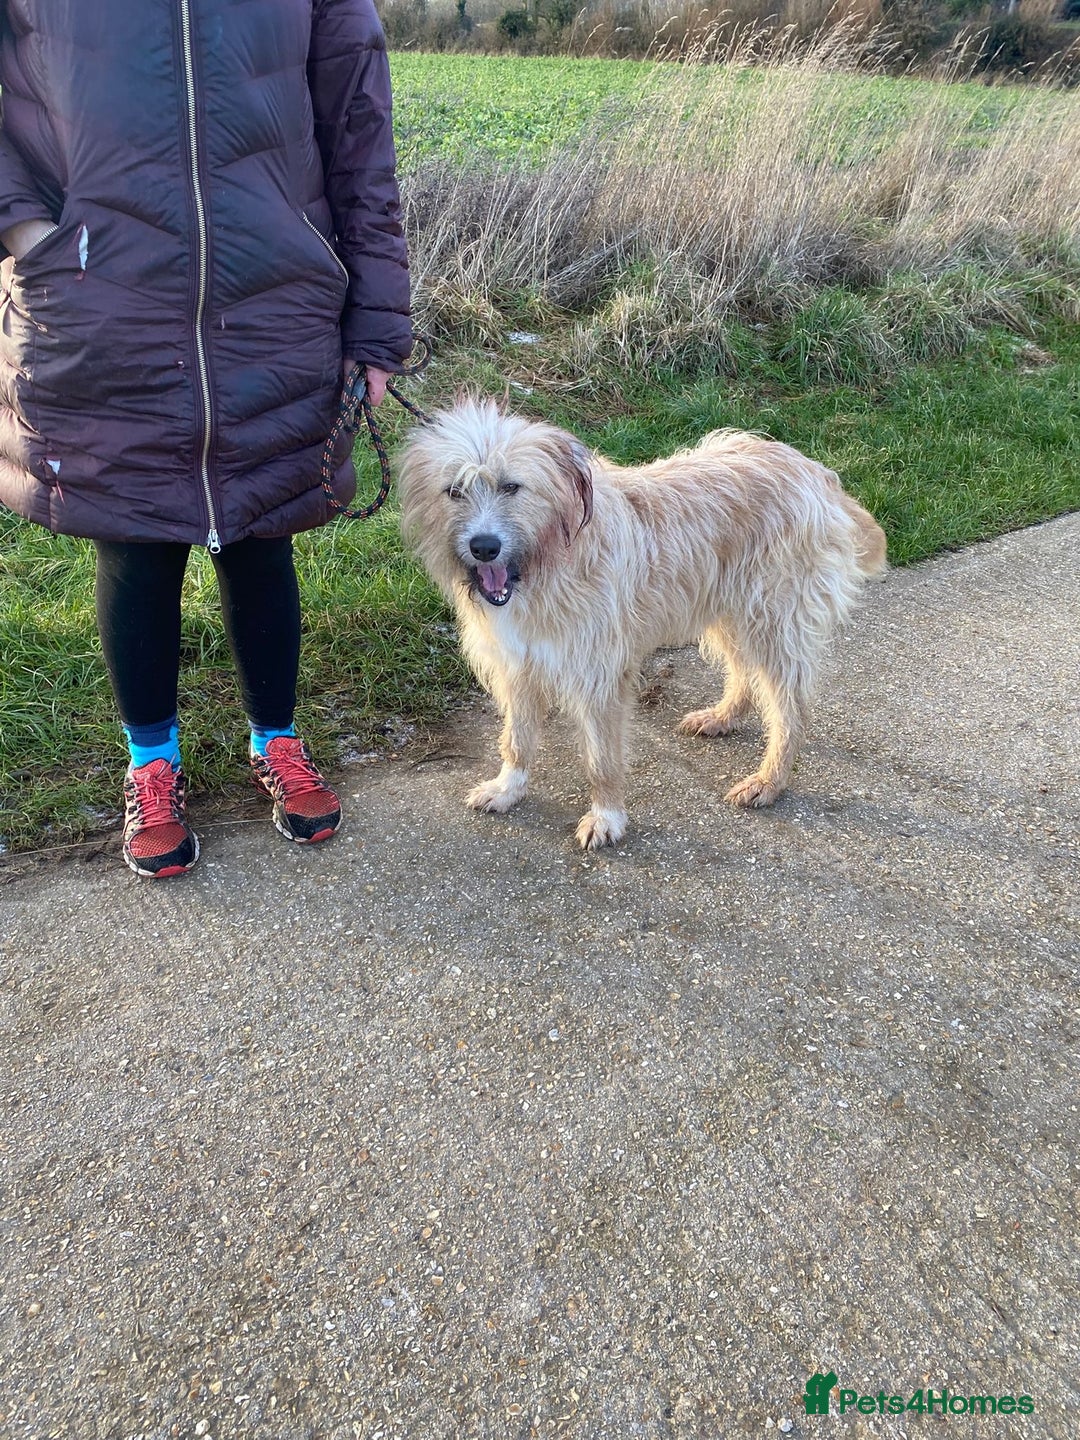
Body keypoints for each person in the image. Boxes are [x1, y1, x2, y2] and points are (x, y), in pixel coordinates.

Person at [0, 1, 412, 877]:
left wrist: (377, 315)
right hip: (98, 296)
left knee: (263, 532)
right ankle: (151, 762)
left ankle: (278, 739)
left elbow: (358, 123)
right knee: (136, 538)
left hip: (274, 295)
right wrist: (31, 232)